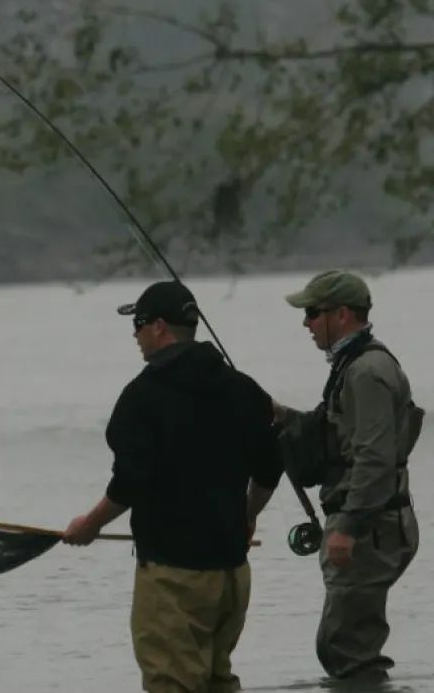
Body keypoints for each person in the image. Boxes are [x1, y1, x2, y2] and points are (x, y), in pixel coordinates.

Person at [63, 279, 283, 693]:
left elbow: (130, 481)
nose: (135, 335)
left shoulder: (143, 397)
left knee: (172, 684)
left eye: (139, 324)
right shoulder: (244, 389)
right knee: (219, 681)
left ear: (159, 327)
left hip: (173, 576)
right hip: (233, 575)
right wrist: (247, 516)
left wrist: (90, 524)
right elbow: (271, 467)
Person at [277, 269, 422, 684]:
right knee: (344, 646)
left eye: (311, 312)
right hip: (367, 525)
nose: (305, 323)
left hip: (370, 529)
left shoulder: (367, 371)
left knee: (346, 648)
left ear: (341, 315)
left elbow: (374, 458)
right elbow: (336, 436)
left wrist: (350, 526)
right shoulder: (352, 365)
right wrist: (279, 415)